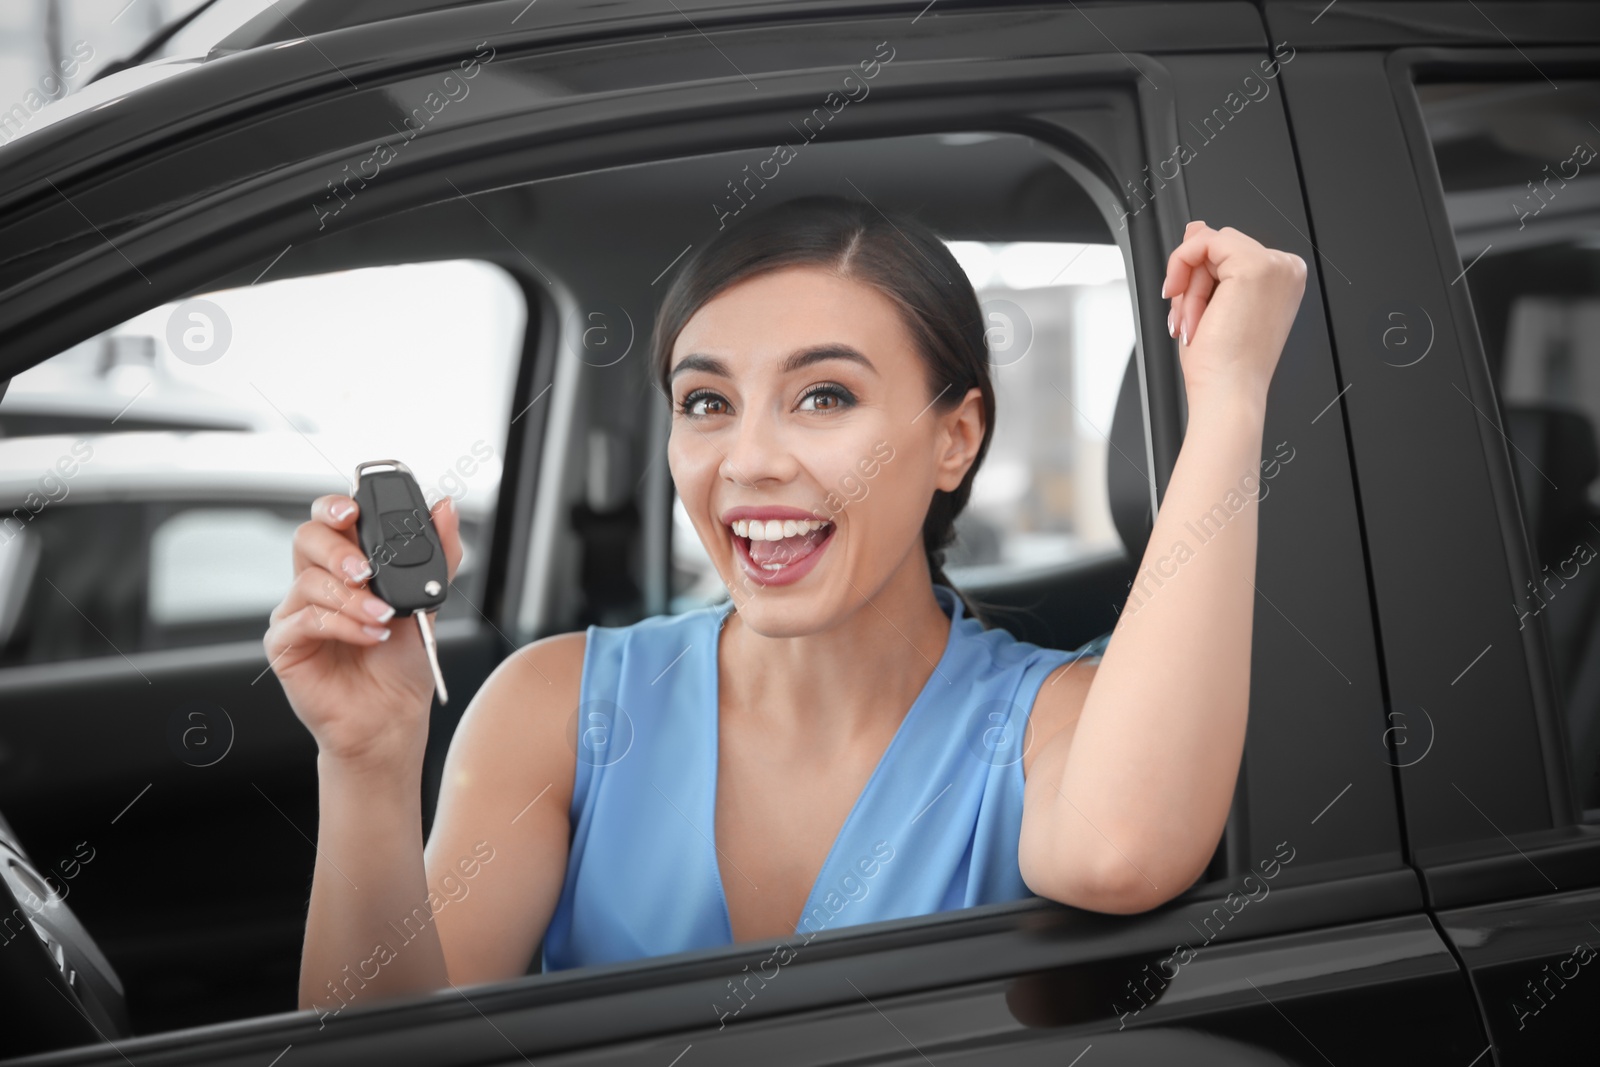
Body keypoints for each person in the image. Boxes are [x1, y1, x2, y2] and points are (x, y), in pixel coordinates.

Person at [265, 195, 1305, 1017]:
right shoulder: (554, 705)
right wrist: (367, 758)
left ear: (957, 436)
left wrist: (1229, 395)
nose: (749, 460)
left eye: (824, 396)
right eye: (706, 403)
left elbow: (1124, 851)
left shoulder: (1052, 719)